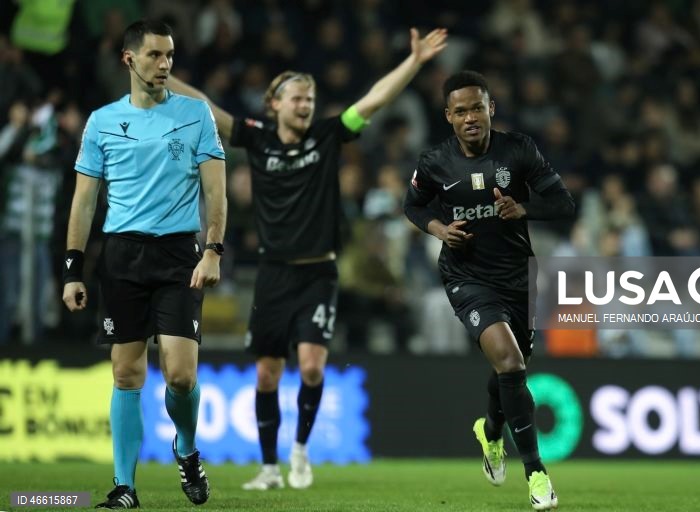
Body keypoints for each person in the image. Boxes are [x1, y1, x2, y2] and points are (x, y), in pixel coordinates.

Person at [169, 27, 447, 490]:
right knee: (266, 374)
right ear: (273, 104)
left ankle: (299, 451)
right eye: (297, 98)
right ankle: (269, 468)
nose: (306, 105)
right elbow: (205, 107)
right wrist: (163, 80)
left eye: (310, 98)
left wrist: (413, 62)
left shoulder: (327, 136)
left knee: (314, 365)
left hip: (319, 270)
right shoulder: (255, 137)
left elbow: (373, 101)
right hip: (273, 273)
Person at [61, 19, 227, 509]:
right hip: (122, 257)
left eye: (170, 55)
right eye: (155, 55)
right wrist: (72, 269)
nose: (166, 64)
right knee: (126, 373)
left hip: (179, 254)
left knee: (180, 376)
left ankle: (186, 447)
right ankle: (124, 487)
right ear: (129, 60)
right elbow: (84, 203)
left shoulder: (197, 115)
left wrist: (214, 250)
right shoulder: (102, 122)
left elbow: (216, 193)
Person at [403, 70, 575, 511]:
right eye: (460, 111)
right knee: (511, 361)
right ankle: (537, 473)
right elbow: (413, 205)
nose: (470, 117)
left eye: (477, 107)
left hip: (518, 277)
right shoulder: (434, 161)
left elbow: (563, 203)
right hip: (467, 277)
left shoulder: (519, 150)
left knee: (510, 374)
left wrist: (524, 208)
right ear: (448, 117)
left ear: (490, 108)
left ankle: (491, 431)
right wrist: (440, 229)